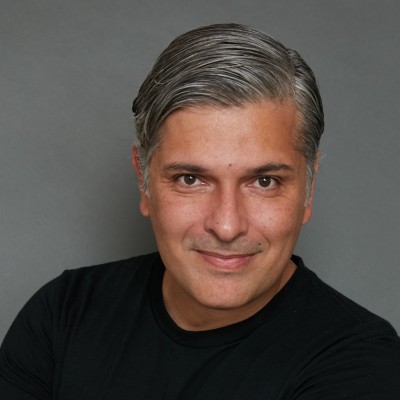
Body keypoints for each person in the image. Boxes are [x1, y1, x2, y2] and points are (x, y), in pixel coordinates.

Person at [1, 23, 399, 399]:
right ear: (143, 180)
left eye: (264, 181)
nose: (226, 225)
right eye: (190, 179)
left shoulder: (359, 364)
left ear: (308, 189)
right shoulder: (64, 314)